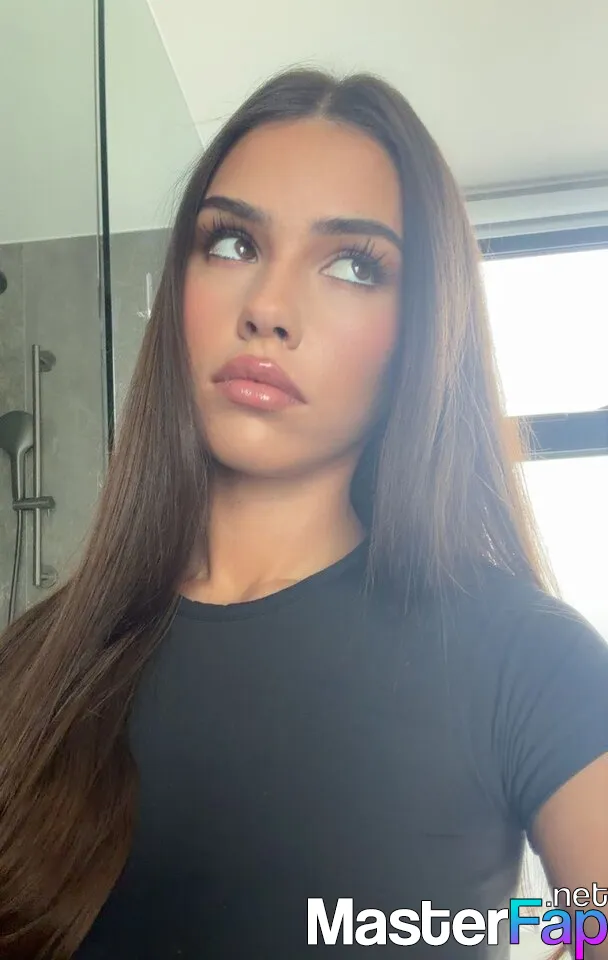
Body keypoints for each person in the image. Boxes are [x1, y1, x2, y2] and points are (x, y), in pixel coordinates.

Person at [0, 67, 606, 960]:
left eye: (354, 266)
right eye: (233, 243)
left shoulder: (526, 657)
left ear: (420, 330)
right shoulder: (33, 664)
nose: (268, 309)